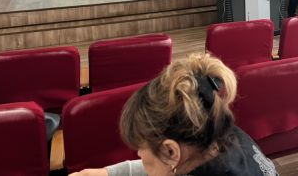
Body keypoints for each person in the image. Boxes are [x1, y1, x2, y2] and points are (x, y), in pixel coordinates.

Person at [69, 53, 277, 176]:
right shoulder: (218, 132)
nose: (139, 154)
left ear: (170, 151)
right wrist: (107, 173)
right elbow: (169, 164)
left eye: (142, 148)